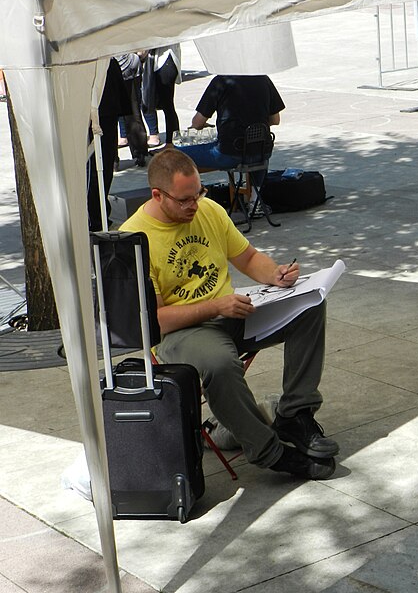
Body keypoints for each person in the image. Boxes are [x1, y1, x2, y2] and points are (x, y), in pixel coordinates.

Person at [120, 148, 339, 480]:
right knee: (219, 364)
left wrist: (275, 274)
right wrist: (215, 306)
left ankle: (295, 414)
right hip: (181, 333)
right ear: (157, 195)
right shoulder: (134, 239)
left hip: (231, 313)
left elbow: (248, 257)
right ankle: (269, 452)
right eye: (184, 200)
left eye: (199, 193)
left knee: (309, 305)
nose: (194, 205)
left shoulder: (208, 210)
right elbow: (155, 321)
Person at [180, 74, 285, 175]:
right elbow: (275, 120)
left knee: (174, 154)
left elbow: (197, 123)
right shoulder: (263, 79)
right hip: (262, 151)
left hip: (230, 152)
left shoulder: (221, 81)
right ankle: (256, 190)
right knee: (254, 151)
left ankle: (190, 191)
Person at [87, 57, 130, 231]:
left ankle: (99, 213)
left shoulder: (108, 62)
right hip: (95, 117)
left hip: (105, 115)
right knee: (96, 171)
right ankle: (96, 215)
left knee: (102, 169)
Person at [142, 45, 181, 147]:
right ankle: (171, 143)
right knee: (167, 106)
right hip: (162, 62)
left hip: (166, 61)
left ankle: (171, 143)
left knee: (168, 106)